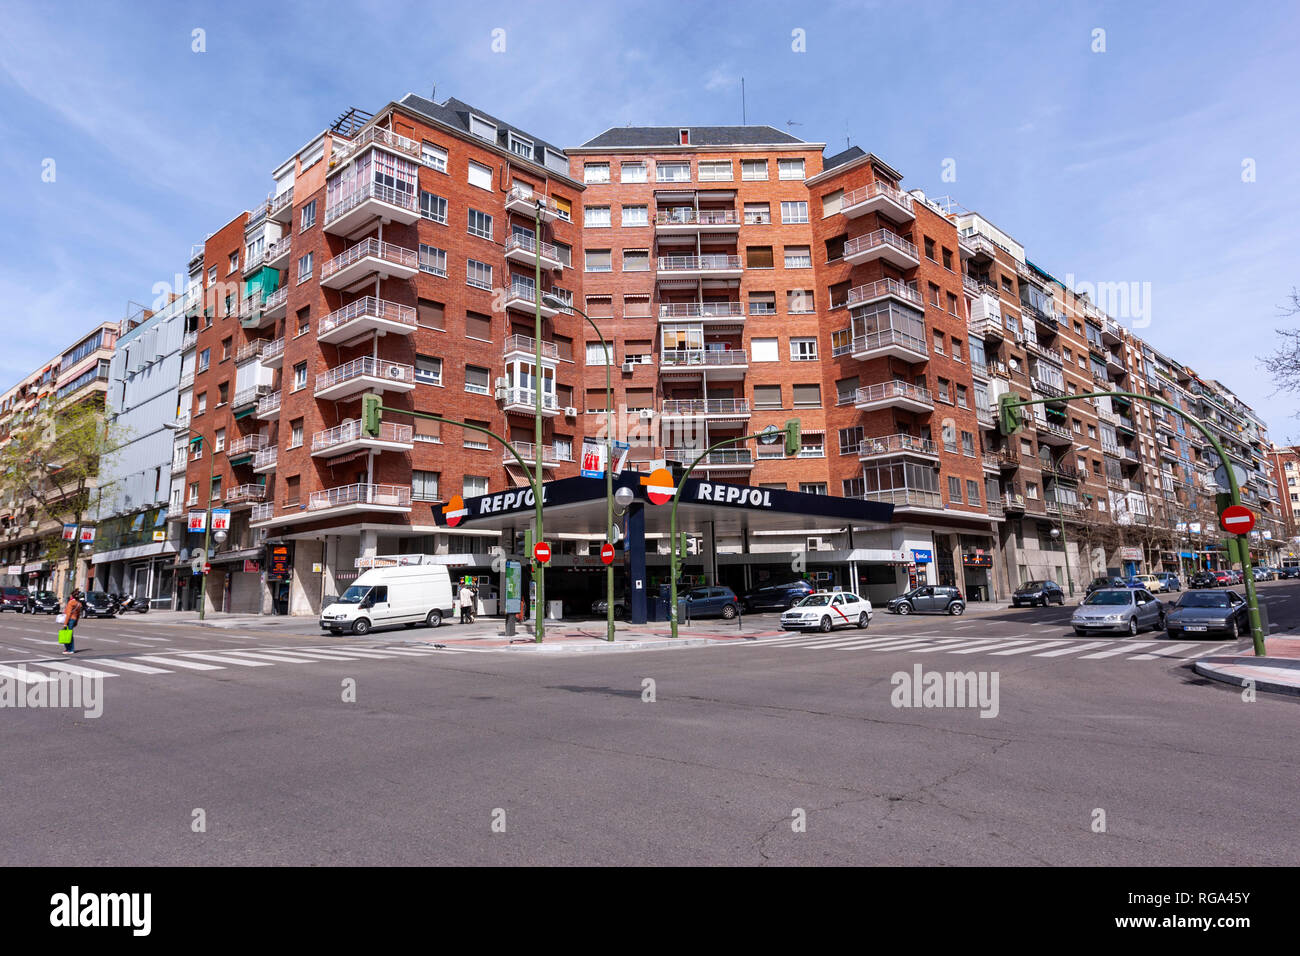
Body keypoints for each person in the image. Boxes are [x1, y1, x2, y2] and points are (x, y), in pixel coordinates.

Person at [60, 589, 84, 655]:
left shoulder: (71, 602)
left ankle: (69, 649)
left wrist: (65, 623)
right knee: (70, 634)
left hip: (70, 620)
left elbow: (68, 614)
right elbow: (78, 615)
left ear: (72, 596)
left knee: (67, 634)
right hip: (74, 620)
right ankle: (70, 649)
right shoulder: (79, 604)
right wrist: (76, 622)